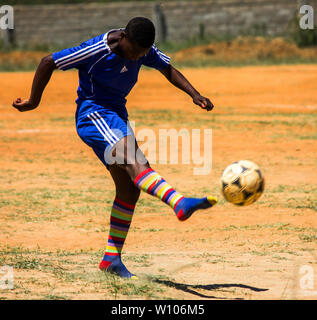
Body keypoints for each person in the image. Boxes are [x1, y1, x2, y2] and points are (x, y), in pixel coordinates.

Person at [12, 17, 217, 279]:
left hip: (116, 115)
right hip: (93, 113)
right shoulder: (98, 49)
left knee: (130, 189)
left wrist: (194, 93)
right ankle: (179, 202)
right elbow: (48, 62)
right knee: (135, 160)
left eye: (143, 53)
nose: (138, 58)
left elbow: (167, 68)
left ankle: (111, 259)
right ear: (123, 39)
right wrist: (33, 101)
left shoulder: (143, 49)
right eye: (135, 52)